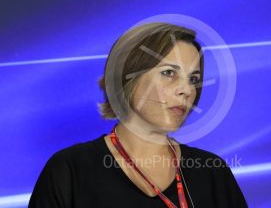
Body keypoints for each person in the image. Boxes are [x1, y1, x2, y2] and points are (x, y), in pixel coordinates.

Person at [28, 22, 248, 207]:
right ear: (126, 79)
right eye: (169, 73)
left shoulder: (211, 172)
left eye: (193, 79)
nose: (187, 90)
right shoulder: (69, 171)